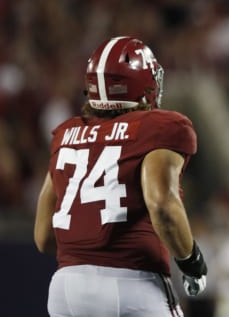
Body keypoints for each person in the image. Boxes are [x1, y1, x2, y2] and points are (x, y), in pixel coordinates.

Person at [33, 36, 208, 316]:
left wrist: (88, 246)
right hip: (131, 283)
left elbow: (43, 236)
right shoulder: (160, 127)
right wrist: (191, 261)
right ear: (142, 85)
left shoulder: (65, 135)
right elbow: (162, 206)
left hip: (66, 290)